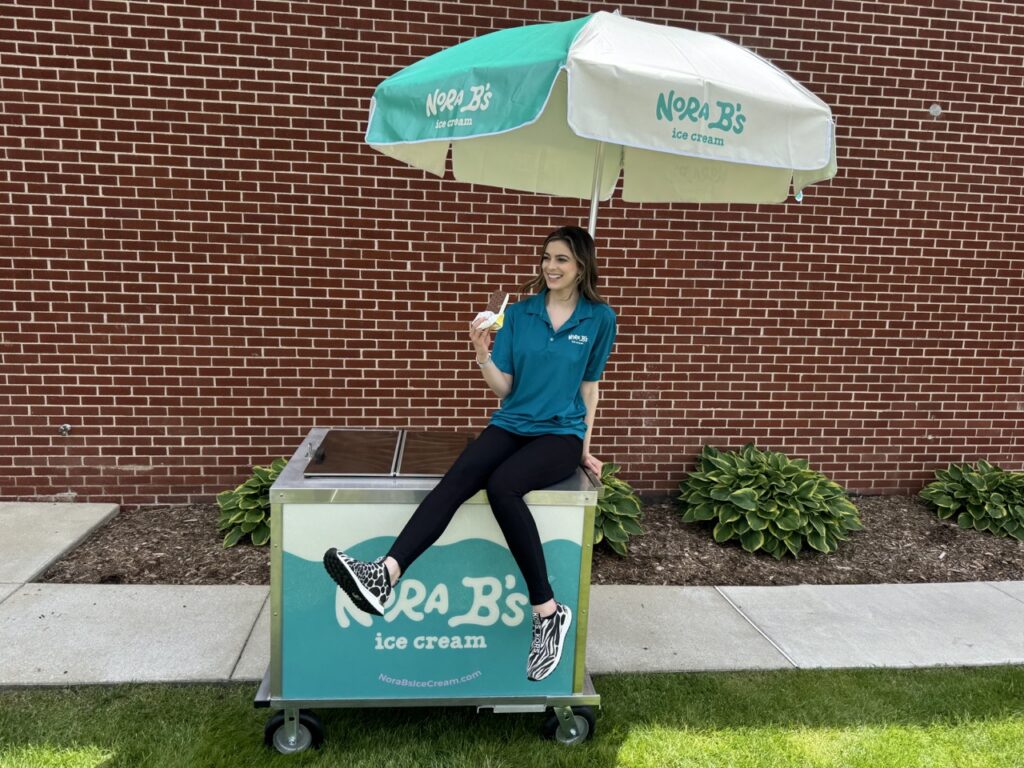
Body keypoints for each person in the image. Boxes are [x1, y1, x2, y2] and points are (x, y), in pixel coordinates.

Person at [323, 225, 617, 682]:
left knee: (503, 486)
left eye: (560, 259)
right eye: (545, 258)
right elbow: (506, 387)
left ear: (581, 264)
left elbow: (590, 387)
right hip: (511, 422)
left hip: (560, 435)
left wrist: (584, 449)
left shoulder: (600, 319)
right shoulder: (520, 315)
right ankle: (385, 574)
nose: (550, 267)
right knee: (458, 478)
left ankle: (547, 612)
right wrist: (482, 354)